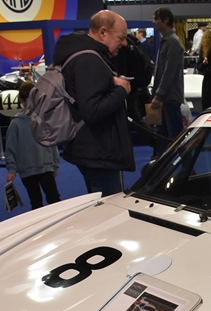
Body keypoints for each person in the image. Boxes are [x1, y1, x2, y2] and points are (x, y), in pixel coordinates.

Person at [53, 9, 132, 196]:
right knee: (108, 206)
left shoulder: (83, 54)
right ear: (103, 32)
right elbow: (92, 110)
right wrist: (121, 90)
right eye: (121, 37)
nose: (124, 43)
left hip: (93, 150)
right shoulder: (89, 60)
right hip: (99, 153)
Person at [5, 81, 60, 210]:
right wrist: (11, 170)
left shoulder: (44, 119)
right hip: (27, 170)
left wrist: (55, 165)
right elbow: (10, 148)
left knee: (54, 198)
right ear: (22, 101)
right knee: (36, 201)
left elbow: (52, 143)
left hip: (46, 167)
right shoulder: (16, 124)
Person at [151, 7, 185, 156]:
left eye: (156, 18)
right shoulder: (166, 41)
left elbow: (169, 72)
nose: (154, 22)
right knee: (162, 135)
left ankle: (186, 166)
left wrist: (158, 95)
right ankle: (161, 165)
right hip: (165, 97)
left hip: (169, 97)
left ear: (166, 20)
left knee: (175, 137)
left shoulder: (173, 42)